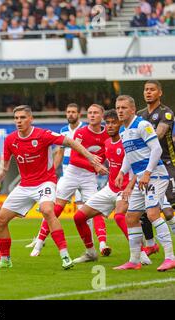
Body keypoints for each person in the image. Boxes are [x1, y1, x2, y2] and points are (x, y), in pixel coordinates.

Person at [0, 105, 106, 269]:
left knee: (48, 210)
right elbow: (4, 166)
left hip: (45, 182)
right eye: (16, 118)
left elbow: (70, 142)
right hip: (25, 186)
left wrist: (90, 157)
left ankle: (65, 256)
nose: (19, 121)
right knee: (1, 219)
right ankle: (5, 260)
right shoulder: (10, 139)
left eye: (22, 118)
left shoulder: (42, 135)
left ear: (31, 119)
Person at [71, 109, 151, 265]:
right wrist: (96, 166)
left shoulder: (127, 142)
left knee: (120, 216)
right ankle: (91, 252)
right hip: (110, 188)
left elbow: (140, 166)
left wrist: (130, 186)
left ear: (120, 123)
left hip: (128, 189)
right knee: (79, 217)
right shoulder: (107, 143)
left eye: (114, 122)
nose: (110, 126)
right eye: (107, 123)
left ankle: (140, 253)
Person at [31, 104, 110, 257]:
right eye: (90, 113)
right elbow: (74, 157)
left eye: (95, 113)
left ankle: (102, 244)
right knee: (56, 209)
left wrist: (99, 167)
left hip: (89, 177)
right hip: (72, 173)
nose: (92, 115)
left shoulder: (107, 134)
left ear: (102, 116)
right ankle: (39, 243)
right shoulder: (81, 132)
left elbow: (104, 155)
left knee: (95, 208)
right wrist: (95, 164)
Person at [114, 95, 175, 271]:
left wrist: (147, 173)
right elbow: (129, 154)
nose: (120, 111)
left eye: (123, 108)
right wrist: (122, 172)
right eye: (118, 108)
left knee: (153, 214)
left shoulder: (142, 125)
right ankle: (134, 261)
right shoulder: (124, 131)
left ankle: (170, 257)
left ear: (132, 109)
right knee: (131, 217)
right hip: (141, 178)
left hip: (155, 176)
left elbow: (156, 149)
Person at [26, 103, 86, 249]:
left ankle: (92, 244)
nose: (70, 114)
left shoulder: (84, 129)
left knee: (83, 210)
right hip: (67, 175)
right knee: (50, 209)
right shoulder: (64, 130)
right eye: (68, 112)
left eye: (73, 112)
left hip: (82, 173)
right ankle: (40, 238)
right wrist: (51, 171)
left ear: (79, 114)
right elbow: (59, 152)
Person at [137, 80, 175, 256]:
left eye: (152, 90)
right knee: (145, 208)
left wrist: (140, 135)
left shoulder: (166, 113)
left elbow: (158, 135)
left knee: (170, 208)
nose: (148, 92)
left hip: (167, 164)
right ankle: (151, 244)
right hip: (147, 166)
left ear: (159, 93)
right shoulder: (140, 114)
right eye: (146, 90)